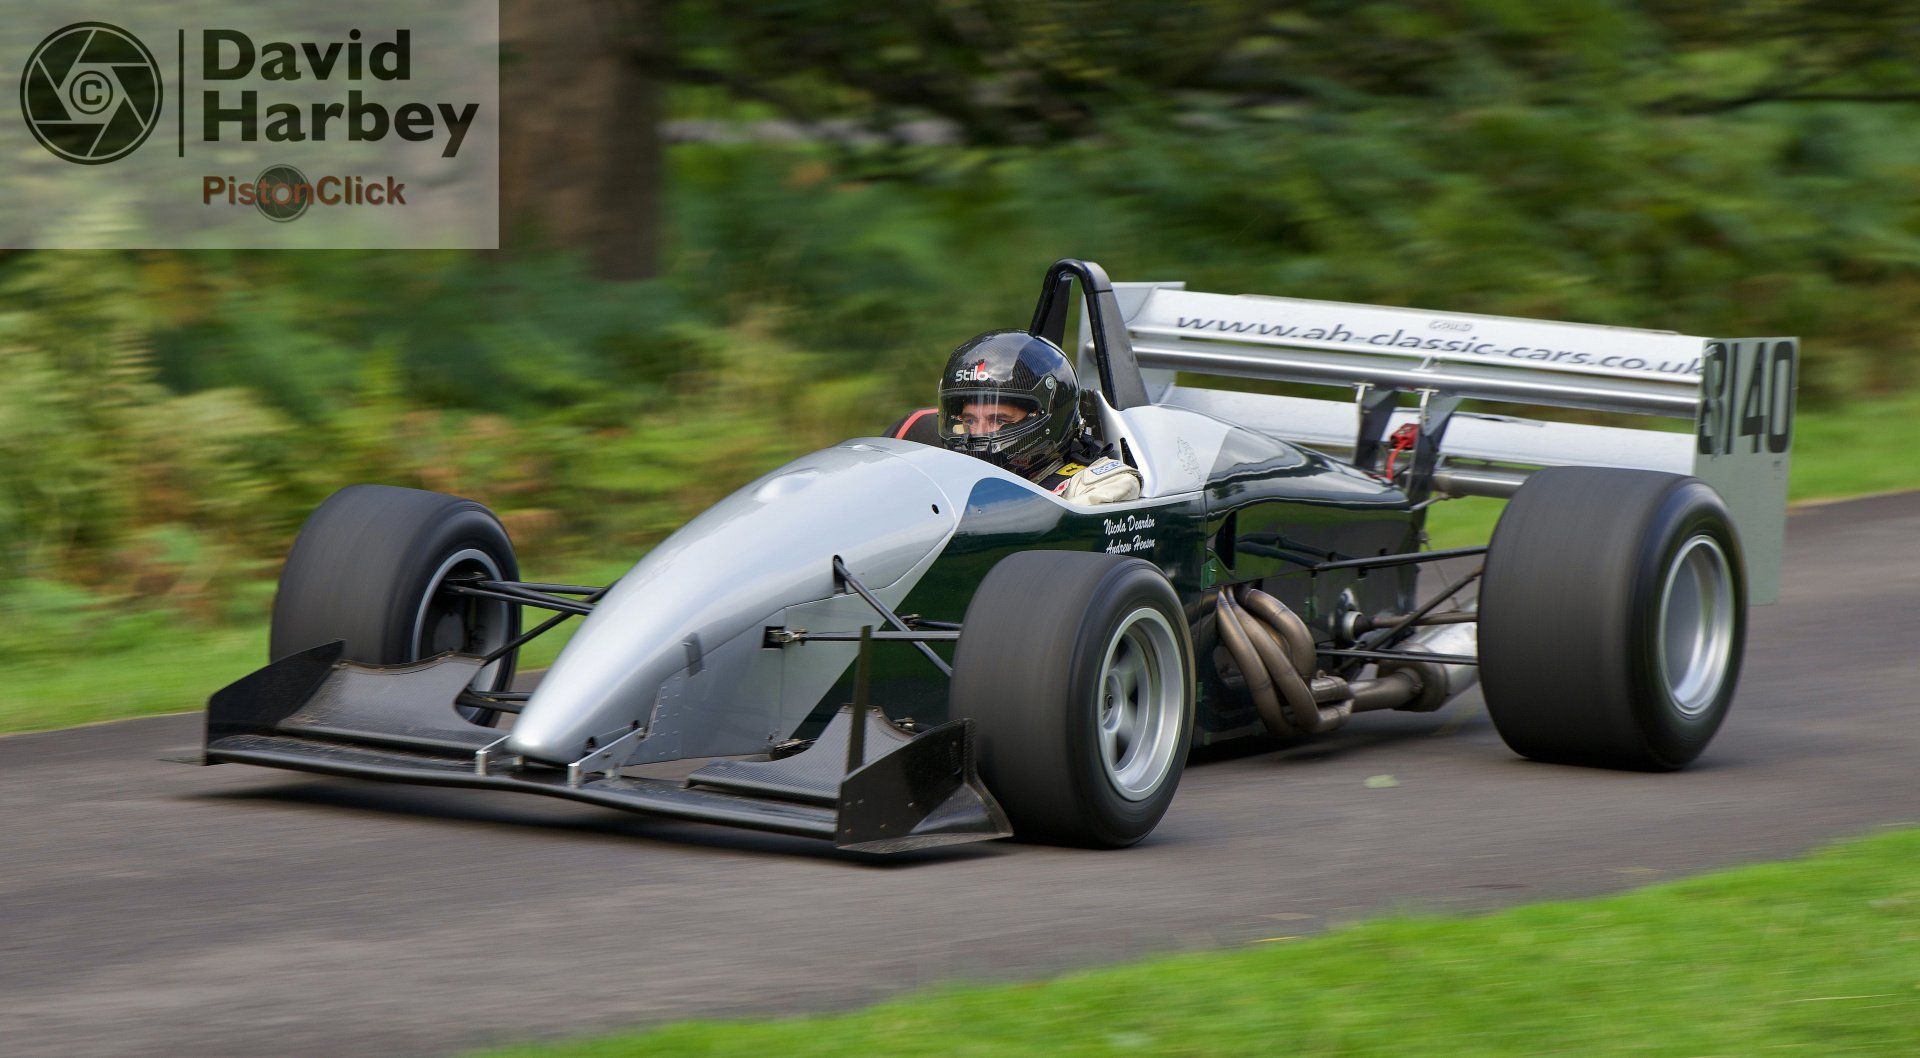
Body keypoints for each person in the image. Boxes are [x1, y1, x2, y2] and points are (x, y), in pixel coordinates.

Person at [936, 330, 1142, 505]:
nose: (978, 433)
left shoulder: (1103, 484)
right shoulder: (944, 480)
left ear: (1048, 421)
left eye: (999, 421)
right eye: (969, 421)